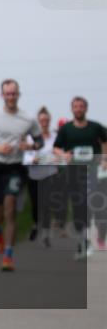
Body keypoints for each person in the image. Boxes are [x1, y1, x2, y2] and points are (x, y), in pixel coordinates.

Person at [0, 79, 43, 272]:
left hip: (15, 168)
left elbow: (39, 141)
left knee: (10, 209)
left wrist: (30, 146)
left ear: (18, 95)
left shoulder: (28, 119)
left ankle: (8, 255)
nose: (11, 97)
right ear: (2, 95)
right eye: (8, 94)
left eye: (14, 94)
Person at [52, 96, 107, 259]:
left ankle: (90, 238)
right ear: (72, 109)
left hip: (93, 171)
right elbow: (56, 148)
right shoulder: (66, 129)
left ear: (86, 108)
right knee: (77, 208)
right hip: (73, 173)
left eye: (81, 106)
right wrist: (63, 154)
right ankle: (83, 241)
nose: (78, 109)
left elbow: (105, 141)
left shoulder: (95, 127)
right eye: (75, 107)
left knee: (91, 203)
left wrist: (104, 158)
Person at [23, 106, 58, 246]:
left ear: (49, 121)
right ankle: (36, 225)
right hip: (33, 174)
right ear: (37, 122)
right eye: (41, 120)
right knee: (36, 205)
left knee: (47, 205)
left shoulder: (55, 137)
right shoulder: (30, 138)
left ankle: (45, 234)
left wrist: (49, 159)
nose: (44, 122)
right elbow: (25, 158)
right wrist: (33, 160)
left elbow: (59, 156)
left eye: (46, 120)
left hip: (50, 174)